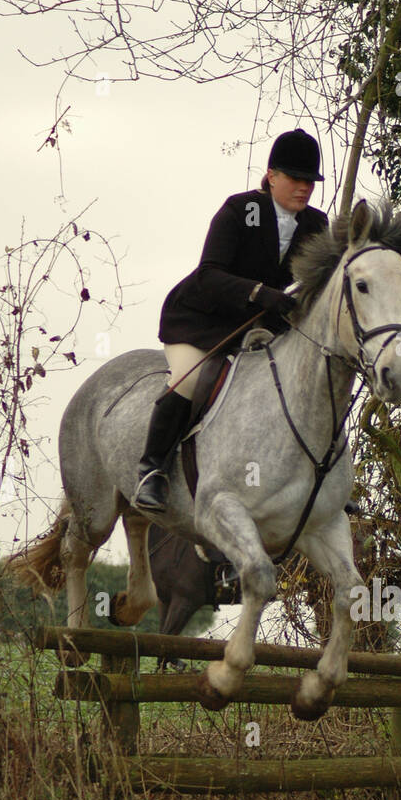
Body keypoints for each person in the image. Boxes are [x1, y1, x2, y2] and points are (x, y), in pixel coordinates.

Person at [132, 128, 329, 512]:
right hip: (201, 321)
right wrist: (259, 293)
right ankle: (151, 469)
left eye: (310, 181)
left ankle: (320, 478)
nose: (304, 188)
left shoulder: (316, 225)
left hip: (263, 330)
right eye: (295, 178)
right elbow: (209, 275)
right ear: (271, 175)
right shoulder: (241, 210)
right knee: (189, 381)